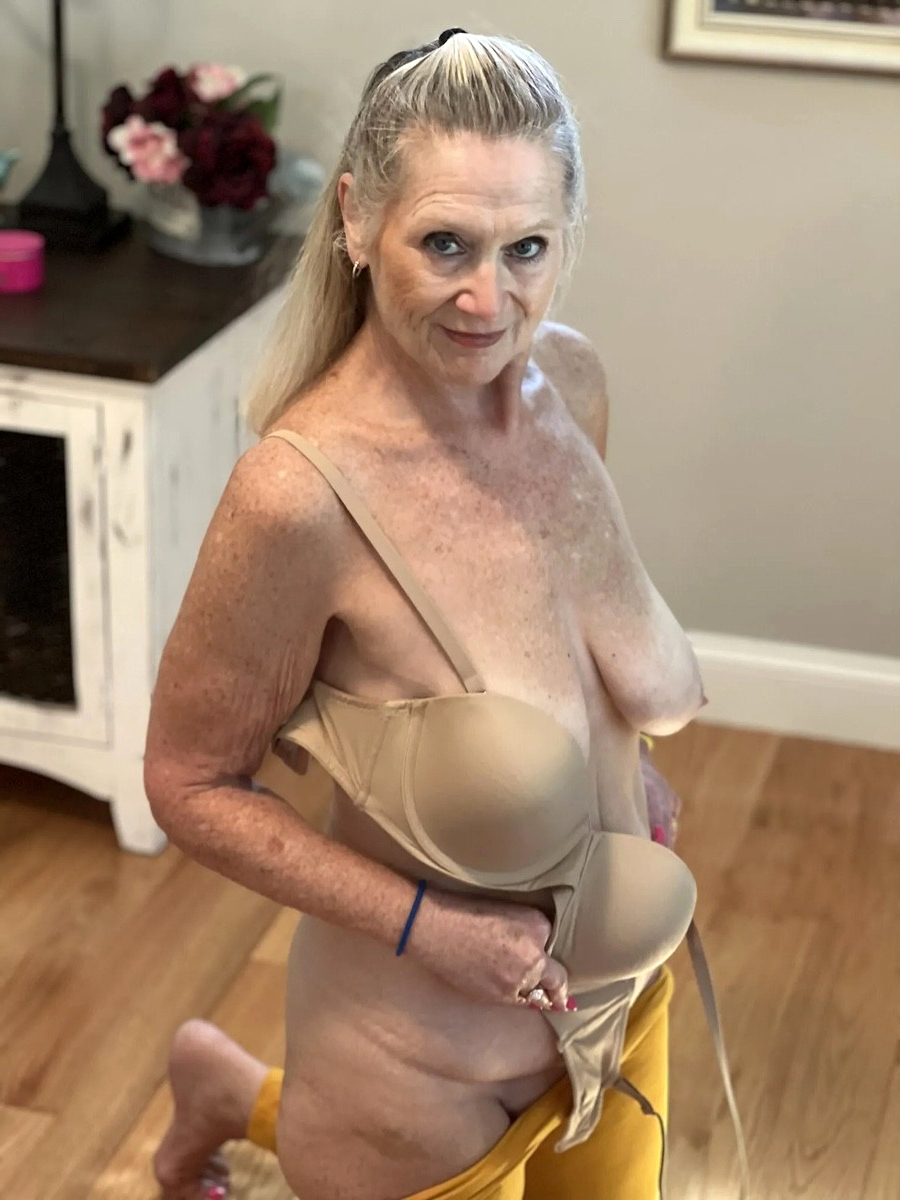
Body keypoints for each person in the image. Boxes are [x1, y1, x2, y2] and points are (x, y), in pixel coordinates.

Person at [144, 30, 745, 1200]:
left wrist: (616, 766)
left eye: (528, 249)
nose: (488, 298)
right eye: (445, 245)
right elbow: (188, 782)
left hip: (623, 1003)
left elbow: (561, 645)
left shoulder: (571, 384)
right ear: (358, 221)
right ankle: (262, 1097)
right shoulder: (297, 498)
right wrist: (434, 927)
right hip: (415, 1066)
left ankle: (227, 1087)